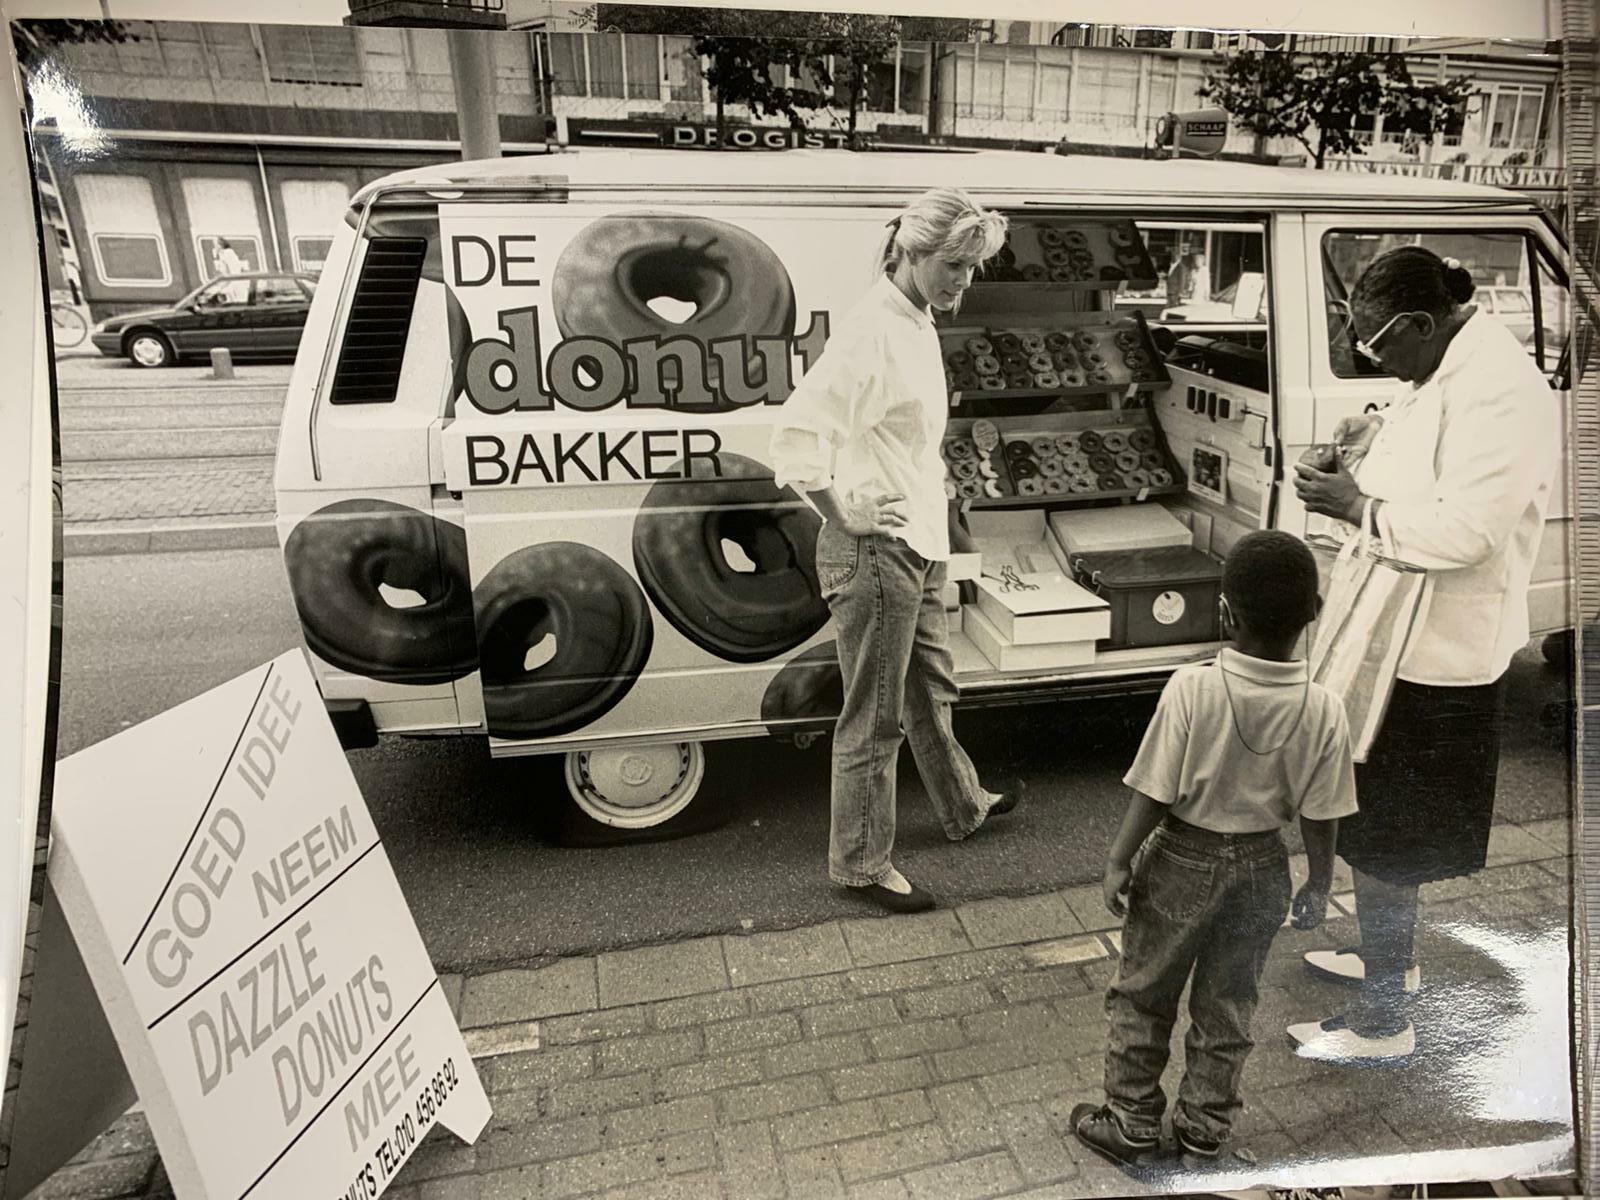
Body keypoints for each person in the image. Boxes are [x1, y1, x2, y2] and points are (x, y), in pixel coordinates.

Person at [1290, 247, 1559, 1063]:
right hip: (1395, 631)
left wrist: (1355, 505)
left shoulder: (1504, 393)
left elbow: (1468, 532)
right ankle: (1390, 967)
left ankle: (1381, 1023)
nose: (1378, 362)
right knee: (1377, 825)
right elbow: (1420, 454)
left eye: (1379, 346)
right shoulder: (1441, 365)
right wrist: (1358, 447)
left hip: (1439, 650)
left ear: (1419, 324)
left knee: (1388, 840)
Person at [768, 188, 1024, 914]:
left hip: (916, 538)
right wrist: (840, 506)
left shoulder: (914, 317)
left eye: (973, 269)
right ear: (911, 252)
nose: (963, 283)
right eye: (953, 265)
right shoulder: (871, 331)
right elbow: (794, 439)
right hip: (877, 550)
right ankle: (859, 864)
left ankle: (962, 803)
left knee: (929, 686)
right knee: (874, 716)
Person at [1069, 531, 1355, 1170]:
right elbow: (1322, 812)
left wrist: (1119, 859)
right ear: (1314, 611)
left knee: (1143, 994)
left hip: (1181, 861)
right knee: (1228, 1004)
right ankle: (1204, 1130)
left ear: (1225, 612)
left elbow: (1153, 791)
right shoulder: (1326, 709)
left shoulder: (1191, 689)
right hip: (1263, 867)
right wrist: (1318, 881)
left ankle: (1131, 1122)